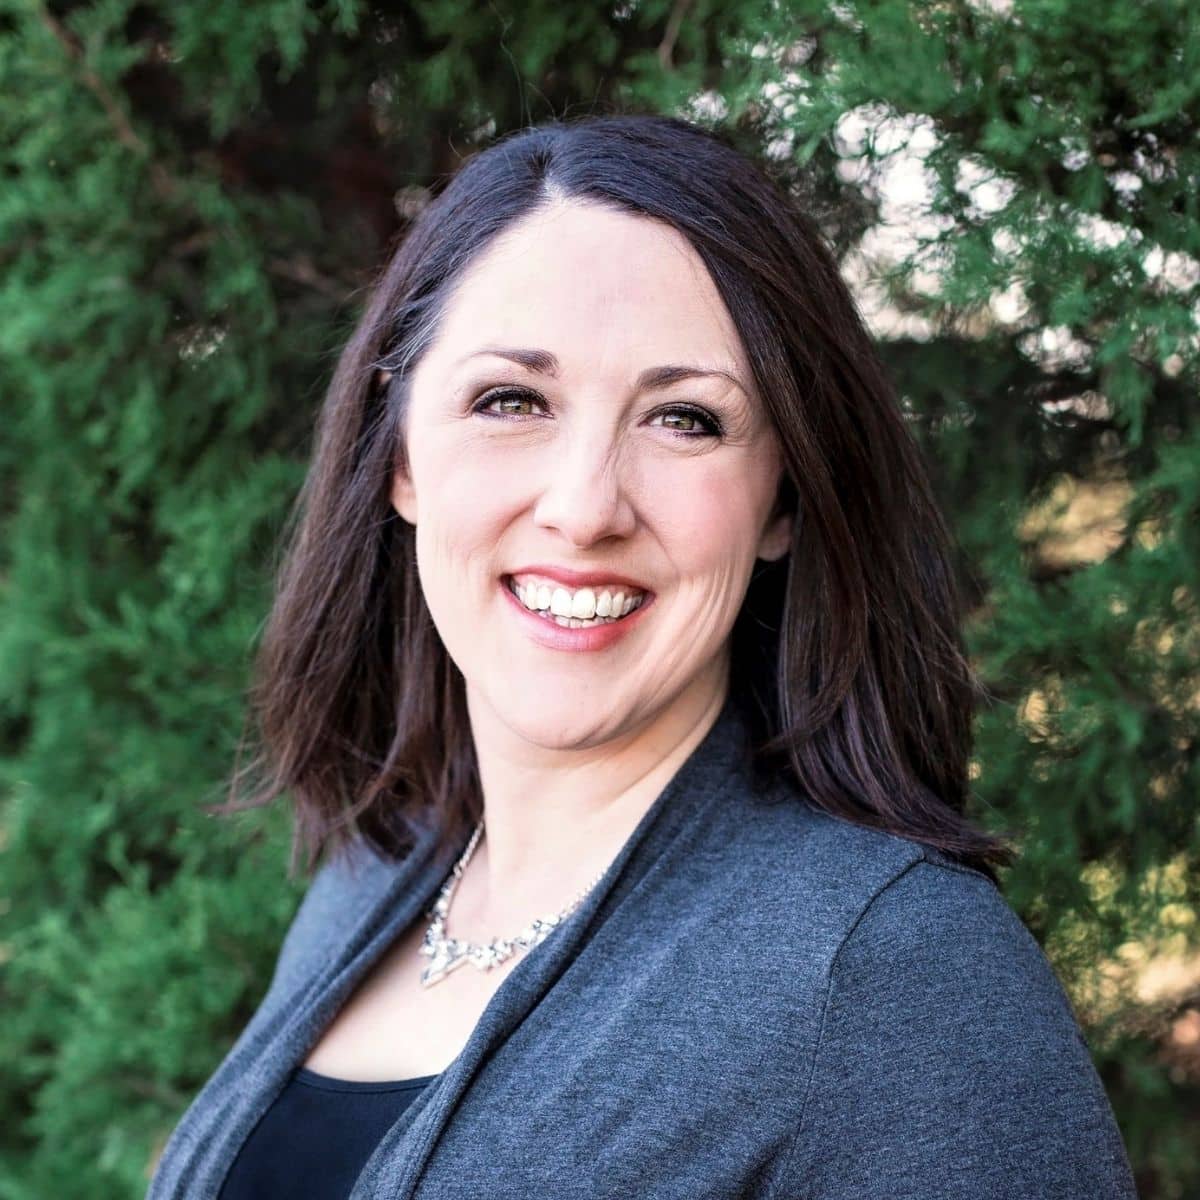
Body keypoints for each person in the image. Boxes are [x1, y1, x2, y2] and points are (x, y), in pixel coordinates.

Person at [146, 114, 1138, 1199]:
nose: (584, 509)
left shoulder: (898, 976)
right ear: (403, 456)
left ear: (785, 496)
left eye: (684, 420)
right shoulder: (374, 874)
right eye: (511, 401)